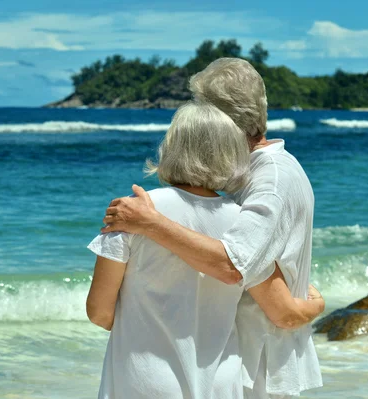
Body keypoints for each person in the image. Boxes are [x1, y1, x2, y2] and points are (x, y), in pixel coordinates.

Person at [101, 58, 323, 399]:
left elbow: (232, 265)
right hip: (230, 364)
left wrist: (151, 222)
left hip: (255, 365)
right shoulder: (252, 174)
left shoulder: (270, 179)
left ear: (224, 121)